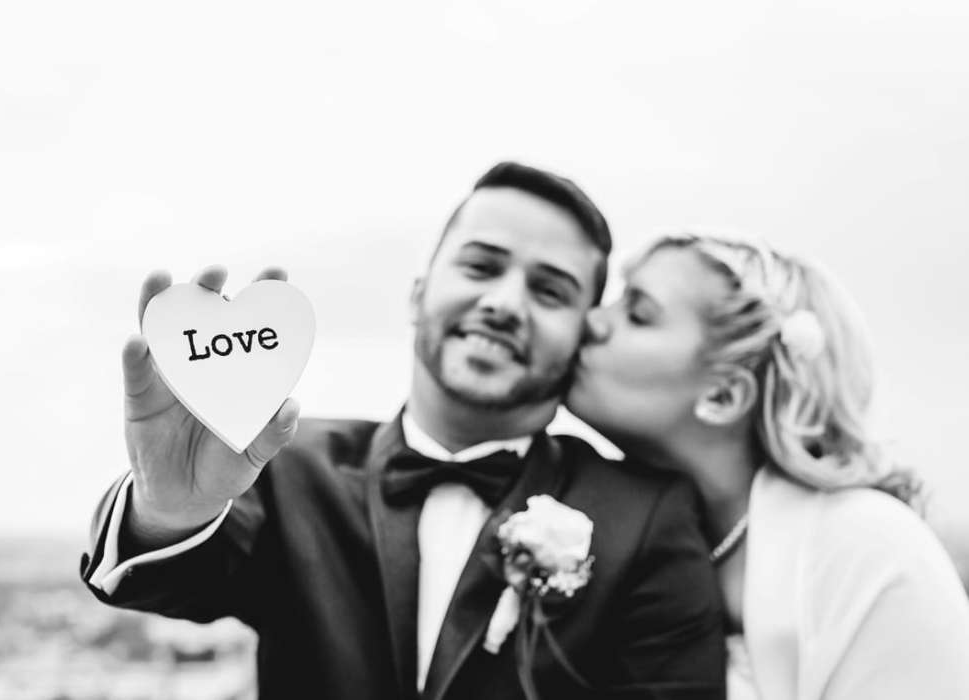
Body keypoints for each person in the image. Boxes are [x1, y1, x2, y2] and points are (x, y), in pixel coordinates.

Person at [80, 163, 726, 700]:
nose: (505, 303)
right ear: (418, 294)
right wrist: (168, 510)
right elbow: (172, 581)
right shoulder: (284, 463)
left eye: (550, 291)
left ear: (584, 333)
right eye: (481, 267)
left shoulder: (647, 516)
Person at [566, 233, 969, 699]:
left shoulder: (868, 547)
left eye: (637, 314)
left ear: (724, 397)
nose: (592, 320)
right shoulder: (614, 525)